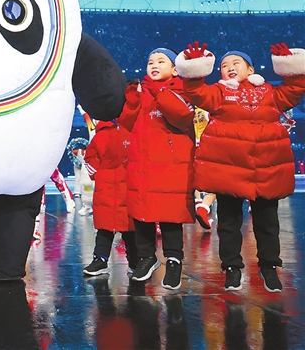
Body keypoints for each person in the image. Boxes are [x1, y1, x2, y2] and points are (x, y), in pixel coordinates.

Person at [176, 42, 305, 292]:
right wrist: (193, 70)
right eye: (224, 65)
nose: (229, 68)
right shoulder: (219, 93)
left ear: (251, 69)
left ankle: (269, 267)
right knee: (229, 223)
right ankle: (232, 268)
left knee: (268, 224)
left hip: (264, 168)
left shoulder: (270, 93)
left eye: (236, 63)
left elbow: (295, 88)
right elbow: (195, 92)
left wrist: (289, 67)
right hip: (229, 168)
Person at [119, 49, 195, 290]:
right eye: (150, 61)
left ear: (174, 70)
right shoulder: (144, 93)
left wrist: (159, 91)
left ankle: (174, 260)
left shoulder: (181, 89)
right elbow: (127, 123)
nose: (154, 65)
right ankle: (146, 257)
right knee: (142, 213)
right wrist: (132, 101)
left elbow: (182, 115)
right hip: (142, 164)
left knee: (170, 215)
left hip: (170, 165)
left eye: (161, 61)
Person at [82, 118, 138, 276]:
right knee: (105, 228)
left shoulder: (133, 130)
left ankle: (134, 261)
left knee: (129, 228)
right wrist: (99, 174)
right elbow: (90, 156)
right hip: (106, 189)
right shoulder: (102, 133)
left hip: (127, 186)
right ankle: (101, 259)